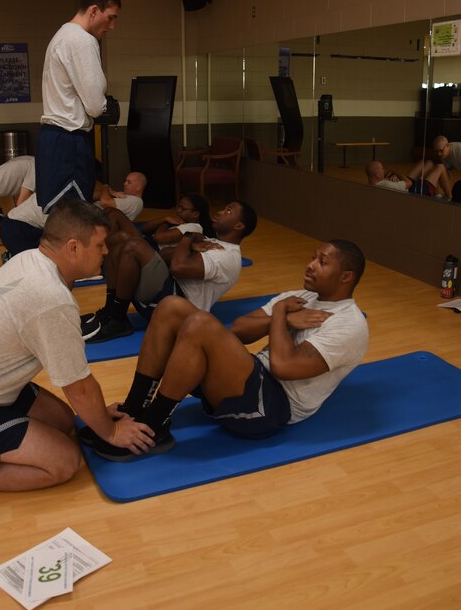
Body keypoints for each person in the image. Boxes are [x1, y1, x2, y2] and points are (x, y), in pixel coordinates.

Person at [0, 200, 156, 492]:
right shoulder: (50, 297)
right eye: (100, 245)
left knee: (65, 421)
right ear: (74, 247)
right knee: (63, 462)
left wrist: (98, 417)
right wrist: (111, 429)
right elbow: (78, 386)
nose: (106, 252)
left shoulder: (31, 258)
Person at [79, 239, 369, 461]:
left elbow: (283, 367)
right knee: (170, 307)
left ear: (346, 277)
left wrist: (280, 314)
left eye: (322, 262)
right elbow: (239, 330)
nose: (311, 265)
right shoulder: (301, 297)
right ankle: (134, 408)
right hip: (250, 379)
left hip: (271, 407)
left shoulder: (349, 324)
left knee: (200, 325)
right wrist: (281, 316)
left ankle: (153, 427)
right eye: (313, 258)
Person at [81, 201, 258, 343]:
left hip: (179, 310)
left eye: (228, 211)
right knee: (120, 243)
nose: (220, 212)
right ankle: (111, 311)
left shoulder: (227, 256)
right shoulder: (210, 241)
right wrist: (191, 242)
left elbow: (178, 268)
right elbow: (163, 255)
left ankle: (118, 319)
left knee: (132, 246)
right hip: (165, 294)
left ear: (239, 225)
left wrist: (188, 237)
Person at [36, 0, 121, 215]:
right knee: (74, 219)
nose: (112, 26)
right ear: (94, 10)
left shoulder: (62, 35)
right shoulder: (82, 40)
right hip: (69, 140)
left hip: (55, 139)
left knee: (60, 217)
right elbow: (95, 106)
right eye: (111, 17)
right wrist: (105, 106)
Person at [140, 193, 213, 248]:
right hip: (147, 242)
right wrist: (165, 218)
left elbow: (158, 238)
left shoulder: (193, 227)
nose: (178, 211)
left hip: (153, 249)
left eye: (183, 209)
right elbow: (144, 229)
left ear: (195, 214)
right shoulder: (180, 220)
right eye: (178, 207)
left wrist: (166, 223)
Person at [365, 159, 450, 197]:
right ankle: (449, 197)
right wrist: (394, 171)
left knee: (428, 163)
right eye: (382, 169)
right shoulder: (386, 184)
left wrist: (394, 177)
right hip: (415, 192)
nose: (384, 170)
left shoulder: (372, 182)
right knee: (440, 167)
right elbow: (409, 183)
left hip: (407, 187)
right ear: (377, 174)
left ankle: (436, 193)